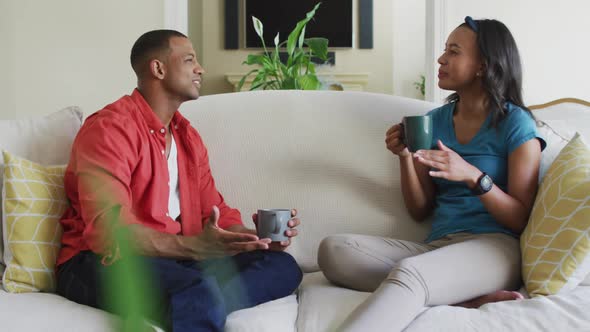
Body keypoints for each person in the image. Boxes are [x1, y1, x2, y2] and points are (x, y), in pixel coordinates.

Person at [55, 29, 302, 332]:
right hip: (99, 262)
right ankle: (195, 301)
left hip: (173, 260)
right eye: (189, 60)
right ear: (158, 68)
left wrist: (251, 239)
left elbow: (214, 210)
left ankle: (191, 303)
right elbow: (110, 233)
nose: (200, 69)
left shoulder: (188, 137)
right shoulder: (110, 129)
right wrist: (193, 248)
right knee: (197, 290)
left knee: (282, 267)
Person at [318, 17, 546, 331]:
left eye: (454, 51)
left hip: (495, 247)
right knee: (334, 250)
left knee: (410, 274)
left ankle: (428, 287)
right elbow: (419, 209)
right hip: (438, 246)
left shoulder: (516, 124)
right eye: (444, 50)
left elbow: (521, 218)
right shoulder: (433, 121)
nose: (441, 59)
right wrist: (405, 157)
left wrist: (473, 177)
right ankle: (465, 299)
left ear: (483, 66)